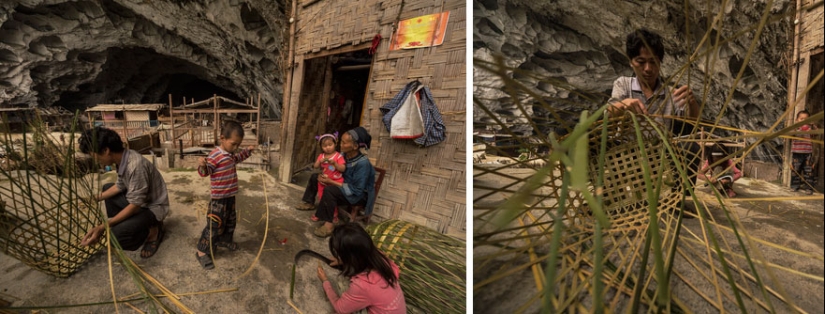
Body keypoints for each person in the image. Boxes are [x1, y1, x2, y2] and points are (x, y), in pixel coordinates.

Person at [608, 28, 703, 205]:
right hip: (628, 151)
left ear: (660, 62)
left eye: (653, 62)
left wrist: (692, 103)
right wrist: (624, 105)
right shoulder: (623, 84)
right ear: (631, 62)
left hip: (660, 154)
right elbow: (608, 113)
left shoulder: (671, 93)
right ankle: (609, 195)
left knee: (691, 145)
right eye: (641, 62)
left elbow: (692, 126)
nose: (648, 69)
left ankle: (676, 199)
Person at [79, 127, 169, 258]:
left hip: (153, 208)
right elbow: (119, 186)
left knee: (115, 237)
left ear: (105, 151)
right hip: (140, 203)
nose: (96, 161)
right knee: (107, 188)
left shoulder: (135, 166)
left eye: (95, 156)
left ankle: (153, 231)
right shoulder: (122, 158)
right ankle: (128, 223)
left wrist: (103, 226)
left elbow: (135, 205)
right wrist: (93, 198)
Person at [195, 120, 254, 269]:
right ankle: (202, 251)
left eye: (238, 145)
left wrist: (247, 151)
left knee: (230, 221)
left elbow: (238, 158)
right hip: (218, 200)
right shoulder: (216, 155)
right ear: (222, 138)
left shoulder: (230, 154)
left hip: (229, 197)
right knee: (214, 225)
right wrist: (202, 166)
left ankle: (224, 240)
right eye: (233, 144)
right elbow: (205, 172)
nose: (236, 147)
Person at [316, 223, 406, 313]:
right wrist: (343, 260)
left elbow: (339, 308)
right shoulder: (379, 257)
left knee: (342, 282)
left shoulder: (362, 285)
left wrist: (325, 282)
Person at [311, 127, 376, 238]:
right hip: (344, 185)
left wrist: (331, 181)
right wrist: (324, 176)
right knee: (314, 177)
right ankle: (310, 203)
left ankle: (329, 225)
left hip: (358, 195)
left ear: (355, 146)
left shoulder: (363, 164)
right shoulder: (344, 155)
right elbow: (335, 170)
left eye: (344, 143)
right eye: (341, 141)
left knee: (329, 190)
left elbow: (357, 189)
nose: (340, 145)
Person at [294, 132, 346, 223]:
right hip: (323, 180)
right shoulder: (321, 156)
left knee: (330, 198)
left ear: (335, 144)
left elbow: (343, 168)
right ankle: (320, 211)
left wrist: (335, 164)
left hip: (335, 181)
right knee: (322, 197)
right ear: (321, 147)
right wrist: (319, 161)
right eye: (324, 146)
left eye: (330, 145)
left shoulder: (338, 156)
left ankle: (334, 214)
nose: (328, 147)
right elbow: (316, 166)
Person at [790, 110, 818, 195]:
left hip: (807, 153)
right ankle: (795, 186)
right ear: (797, 120)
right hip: (797, 153)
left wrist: (812, 125)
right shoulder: (795, 128)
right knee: (795, 170)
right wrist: (797, 127)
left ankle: (809, 188)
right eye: (801, 119)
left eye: (806, 119)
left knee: (808, 171)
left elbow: (816, 133)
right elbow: (790, 134)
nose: (804, 121)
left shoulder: (809, 129)